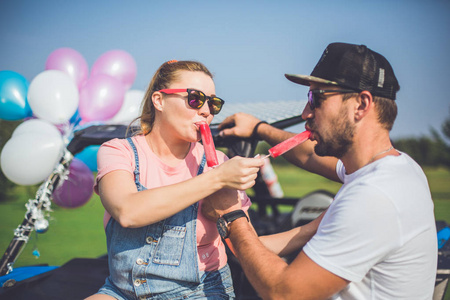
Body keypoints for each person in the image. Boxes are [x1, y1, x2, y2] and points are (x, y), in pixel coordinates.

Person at [202, 43, 438, 299]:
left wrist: (230, 215)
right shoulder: (396, 169)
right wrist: (259, 128)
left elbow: (284, 293)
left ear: (361, 104)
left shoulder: (375, 195)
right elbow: (308, 155)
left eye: (317, 98)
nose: (306, 113)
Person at [86, 60, 264, 300]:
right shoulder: (119, 151)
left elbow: (246, 246)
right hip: (123, 290)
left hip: (200, 292)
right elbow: (128, 211)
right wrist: (217, 178)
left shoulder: (221, 163)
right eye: (195, 99)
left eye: (213, 103)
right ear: (159, 100)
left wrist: (312, 229)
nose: (206, 111)